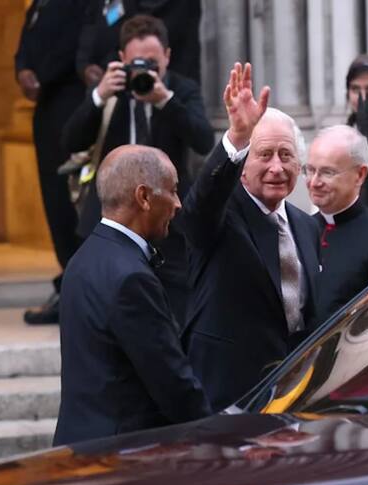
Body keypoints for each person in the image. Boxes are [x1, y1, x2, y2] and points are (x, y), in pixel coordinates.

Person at [181, 63, 321, 411]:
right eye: (264, 155)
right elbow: (199, 208)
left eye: (286, 155)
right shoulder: (223, 215)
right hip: (230, 394)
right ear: (242, 166)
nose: (277, 167)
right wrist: (238, 137)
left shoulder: (306, 226)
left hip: (293, 392)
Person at [53, 145, 211, 446]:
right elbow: (170, 381)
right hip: (119, 454)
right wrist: (213, 432)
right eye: (173, 191)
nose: (178, 204)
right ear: (144, 197)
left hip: (79, 442)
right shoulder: (131, 277)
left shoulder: (83, 258)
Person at [61, 14, 214, 325]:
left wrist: (164, 100)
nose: (144, 72)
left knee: (176, 311)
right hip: (110, 217)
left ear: (168, 57)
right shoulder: (111, 91)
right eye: (136, 64)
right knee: (105, 305)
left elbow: (203, 139)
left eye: (153, 64)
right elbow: (70, 140)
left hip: (166, 218)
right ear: (121, 60)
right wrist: (98, 96)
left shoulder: (180, 90)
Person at [15, 0, 88, 325]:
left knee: (70, 201)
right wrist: (23, 71)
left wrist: (41, 75)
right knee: (52, 197)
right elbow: (26, 45)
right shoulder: (38, 5)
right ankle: (66, 281)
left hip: (70, 105)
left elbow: (74, 44)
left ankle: (78, 289)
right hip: (46, 110)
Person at [305, 125, 368, 321]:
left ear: (360, 175)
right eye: (310, 170)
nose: (314, 182)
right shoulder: (300, 228)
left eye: (327, 172)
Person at [77, 0, 202, 87]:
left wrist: (109, 64)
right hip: (112, 82)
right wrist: (84, 63)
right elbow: (96, 19)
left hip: (163, 85)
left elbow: (146, 32)